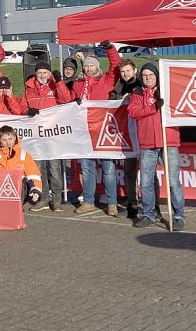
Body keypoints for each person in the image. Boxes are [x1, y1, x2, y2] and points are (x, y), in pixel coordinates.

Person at [128, 62, 185, 231]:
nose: (147, 78)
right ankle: (148, 214)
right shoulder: (137, 93)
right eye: (145, 75)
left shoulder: (167, 90)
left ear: (157, 76)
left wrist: (161, 102)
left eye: (151, 75)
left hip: (168, 141)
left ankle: (179, 215)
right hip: (147, 143)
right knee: (146, 181)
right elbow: (134, 112)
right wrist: (153, 107)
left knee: (173, 181)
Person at [72, 41, 122, 216]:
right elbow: (68, 104)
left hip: (104, 131)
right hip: (85, 132)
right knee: (87, 168)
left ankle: (112, 203)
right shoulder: (78, 84)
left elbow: (116, 65)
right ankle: (88, 201)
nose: (90, 68)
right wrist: (73, 102)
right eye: (87, 66)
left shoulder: (106, 80)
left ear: (97, 67)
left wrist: (110, 49)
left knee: (108, 168)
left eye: (93, 65)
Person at [22, 61, 73, 211]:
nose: (42, 75)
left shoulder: (54, 86)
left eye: (45, 72)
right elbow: (22, 106)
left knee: (55, 168)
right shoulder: (29, 90)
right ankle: (43, 198)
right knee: (39, 168)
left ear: (49, 74)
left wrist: (59, 82)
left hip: (53, 135)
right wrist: (27, 111)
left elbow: (65, 100)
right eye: (40, 73)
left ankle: (56, 199)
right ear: (36, 74)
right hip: (37, 136)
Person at [112, 58, 142, 219]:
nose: (125, 74)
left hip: (143, 134)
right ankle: (132, 203)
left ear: (134, 70)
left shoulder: (142, 84)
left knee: (147, 172)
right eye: (123, 72)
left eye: (128, 71)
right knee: (129, 172)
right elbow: (110, 102)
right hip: (127, 136)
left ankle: (153, 205)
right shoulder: (119, 86)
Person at [0, 126, 43, 208]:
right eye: (4, 140)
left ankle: (18, 210)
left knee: (24, 183)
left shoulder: (24, 154)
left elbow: (33, 175)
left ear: (15, 138)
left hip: (20, 189)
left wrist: (35, 191)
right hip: (0, 189)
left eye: (10, 139)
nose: (8, 142)